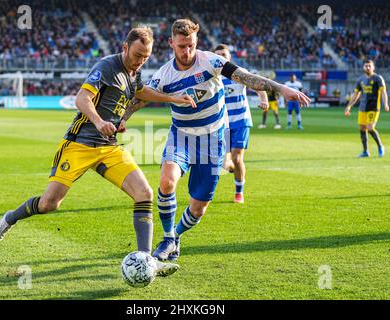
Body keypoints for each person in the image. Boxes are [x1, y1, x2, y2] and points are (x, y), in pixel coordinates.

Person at [0, 27, 197, 277]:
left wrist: (173, 98)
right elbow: (82, 99)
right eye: (138, 55)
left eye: (146, 57)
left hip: (108, 147)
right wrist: (98, 121)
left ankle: (147, 259)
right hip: (80, 145)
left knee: (144, 193)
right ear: (125, 47)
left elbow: (142, 92)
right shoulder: (107, 66)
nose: (141, 61)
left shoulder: (134, 73)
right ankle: (10, 218)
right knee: (49, 203)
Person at [122, 19, 310, 262]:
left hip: (212, 140)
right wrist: (123, 118)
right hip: (181, 136)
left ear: (196, 41)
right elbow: (141, 99)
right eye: (181, 46)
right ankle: (168, 238)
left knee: (198, 207)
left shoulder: (211, 61)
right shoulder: (164, 74)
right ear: (171, 43)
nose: (187, 51)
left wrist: (281, 89)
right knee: (167, 182)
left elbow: (246, 77)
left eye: (190, 45)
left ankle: (177, 236)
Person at [214, 44, 268, 204]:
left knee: (237, 158)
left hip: (241, 120)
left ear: (229, 56)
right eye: (218, 55)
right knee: (224, 163)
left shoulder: (239, 72)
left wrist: (263, 99)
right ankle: (231, 168)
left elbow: (258, 84)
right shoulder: (213, 76)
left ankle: (239, 192)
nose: (221, 57)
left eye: (224, 54)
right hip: (222, 124)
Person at [344, 59, 389, 157]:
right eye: (366, 66)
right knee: (362, 128)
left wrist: (386, 103)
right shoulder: (360, 80)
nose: (367, 67)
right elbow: (356, 95)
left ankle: (380, 146)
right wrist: (349, 106)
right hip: (362, 108)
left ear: (373, 67)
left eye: (369, 66)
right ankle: (365, 151)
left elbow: (384, 92)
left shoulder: (378, 78)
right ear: (363, 67)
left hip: (373, 107)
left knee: (370, 127)